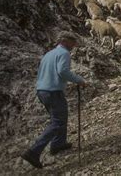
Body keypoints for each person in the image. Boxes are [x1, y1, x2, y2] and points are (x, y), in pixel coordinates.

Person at [21, 31, 87, 169]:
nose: (74, 45)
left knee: (59, 117)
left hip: (42, 90)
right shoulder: (64, 54)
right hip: (53, 91)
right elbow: (62, 71)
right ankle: (33, 151)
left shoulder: (48, 54)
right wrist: (79, 80)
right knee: (58, 121)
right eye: (72, 42)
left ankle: (58, 144)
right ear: (65, 41)